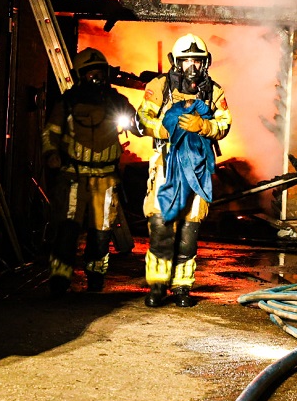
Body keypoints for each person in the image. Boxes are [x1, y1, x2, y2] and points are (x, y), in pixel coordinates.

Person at [136, 33, 231, 307]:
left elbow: (224, 124)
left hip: (197, 167)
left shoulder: (213, 91)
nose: (192, 67)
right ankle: (157, 287)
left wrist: (206, 127)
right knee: (162, 226)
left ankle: (182, 287)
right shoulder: (160, 86)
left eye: (197, 61)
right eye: (187, 60)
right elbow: (143, 117)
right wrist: (162, 128)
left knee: (189, 229)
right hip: (166, 164)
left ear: (205, 63)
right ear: (176, 62)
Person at [42, 48, 136, 294]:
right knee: (67, 230)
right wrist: (51, 153)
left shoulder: (117, 101)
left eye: (100, 72)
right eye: (90, 73)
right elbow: (50, 132)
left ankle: (96, 277)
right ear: (80, 75)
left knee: (101, 232)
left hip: (105, 178)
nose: (97, 78)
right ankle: (60, 279)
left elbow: (138, 125)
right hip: (74, 176)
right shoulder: (67, 102)